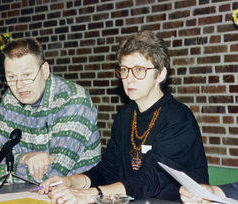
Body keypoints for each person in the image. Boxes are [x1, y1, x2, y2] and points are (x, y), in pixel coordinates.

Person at [38, 30, 209, 203]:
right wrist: (71, 181)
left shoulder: (178, 118)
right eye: (124, 70)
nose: (129, 79)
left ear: (161, 74)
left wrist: (93, 194)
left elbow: (150, 180)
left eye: (139, 70)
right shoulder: (125, 116)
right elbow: (109, 169)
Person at [0, 38, 101, 184]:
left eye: (27, 75)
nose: (19, 86)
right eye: (11, 77)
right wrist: (25, 158)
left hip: (76, 196)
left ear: (45, 71)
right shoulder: (10, 100)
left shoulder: (73, 100)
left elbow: (54, 173)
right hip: (23, 193)